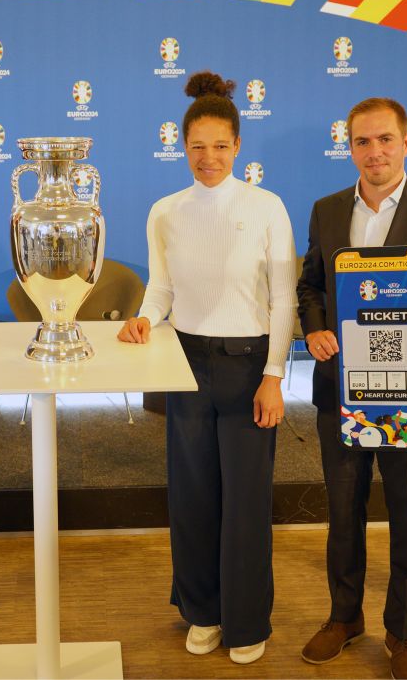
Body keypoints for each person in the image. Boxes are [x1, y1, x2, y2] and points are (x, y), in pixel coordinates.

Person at [118, 71, 297, 665]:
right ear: (182, 145)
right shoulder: (165, 211)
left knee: (245, 503)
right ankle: (203, 611)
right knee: (192, 497)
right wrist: (145, 318)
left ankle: (246, 621)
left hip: (250, 370)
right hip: (186, 364)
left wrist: (275, 375)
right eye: (197, 146)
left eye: (220, 146)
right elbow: (162, 287)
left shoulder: (266, 207)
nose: (208, 158)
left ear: (238, 146)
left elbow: (283, 300)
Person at [297, 98, 407, 679]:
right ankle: (345, 618)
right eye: (362, 142)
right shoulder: (326, 211)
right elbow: (310, 286)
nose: (375, 152)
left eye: (385, 140)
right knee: (343, 515)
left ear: (406, 142)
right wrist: (314, 327)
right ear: (349, 147)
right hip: (342, 395)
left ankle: (402, 634)